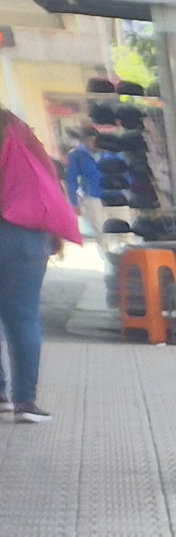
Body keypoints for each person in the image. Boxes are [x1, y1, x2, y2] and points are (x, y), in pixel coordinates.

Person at [0, 104, 80, 425]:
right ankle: (26, 402)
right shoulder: (24, 140)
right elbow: (48, 182)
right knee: (23, 317)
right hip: (27, 236)